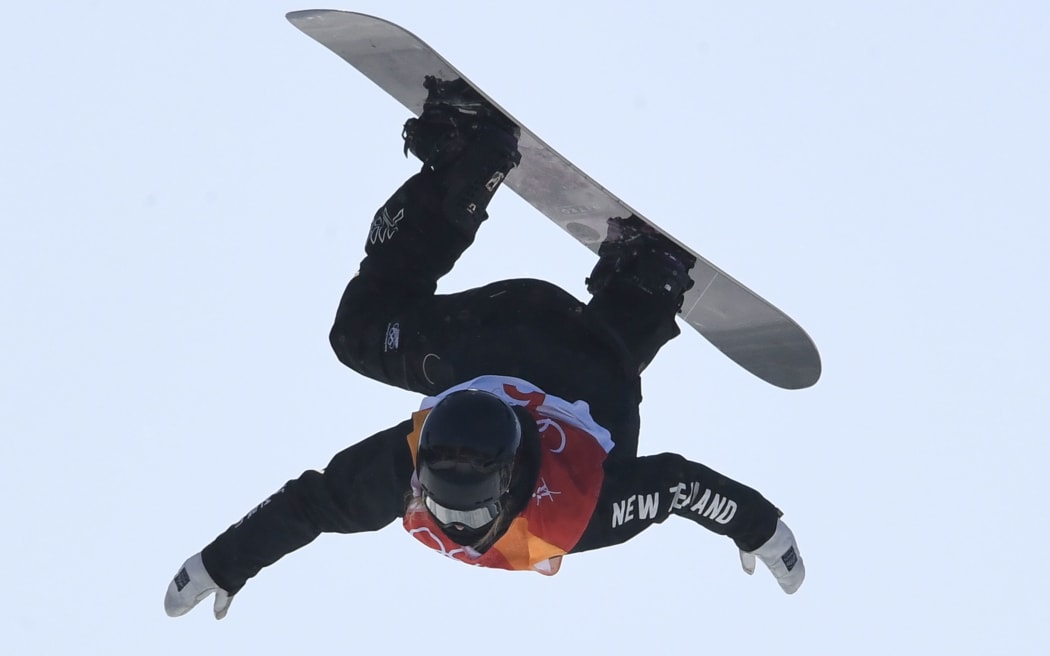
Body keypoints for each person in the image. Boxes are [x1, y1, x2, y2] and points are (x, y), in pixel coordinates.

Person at [164, 77, 805, 620]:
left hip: (531, 347)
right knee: (363, 337)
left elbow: (681, 488)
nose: (446, 517)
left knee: (368, 335)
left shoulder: (563, 513)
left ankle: (635, 280)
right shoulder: (549, 505)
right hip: (536, 351)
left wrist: (224, 562)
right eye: (444, 503)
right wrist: (759, 526)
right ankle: (631, 279)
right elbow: (684, 489)